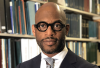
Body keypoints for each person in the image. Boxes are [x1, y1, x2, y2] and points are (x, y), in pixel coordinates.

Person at [16, 2, 99, 68]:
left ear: (66, 29)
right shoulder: (22, 66)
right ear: (34, 30)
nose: (49, 33)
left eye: (56, 25)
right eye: (42, 25)